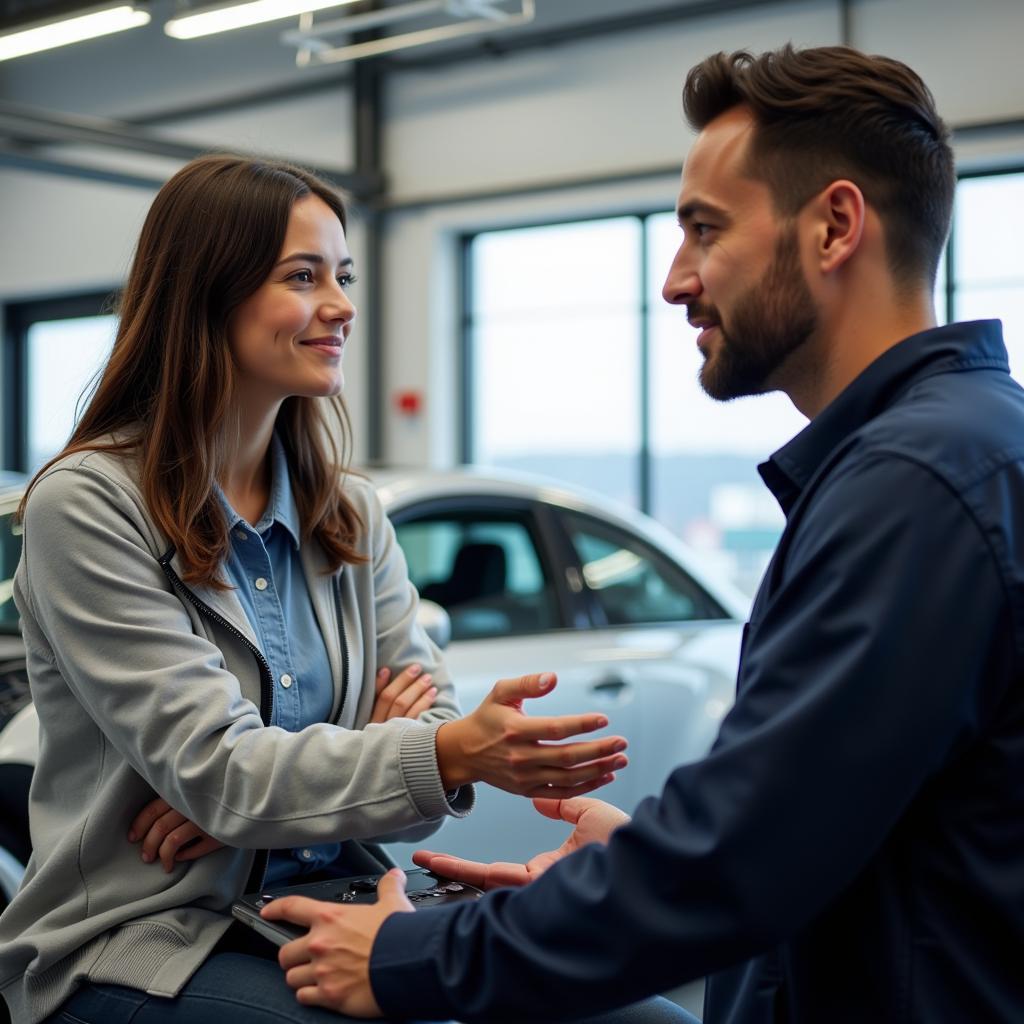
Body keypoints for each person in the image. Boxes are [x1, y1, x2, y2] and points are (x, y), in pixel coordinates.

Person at [259, 44, 1024, 1023]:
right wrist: (625, 866)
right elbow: (832, 829)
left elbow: (736, 860)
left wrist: (412, 954)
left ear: (834, 225)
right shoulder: (951, 451)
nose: (675, 281)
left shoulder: (913, 486)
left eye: (704, 231)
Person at [0, 154, 635, 1024]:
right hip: (149, 933)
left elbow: (376, 791)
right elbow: (227, 770)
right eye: (303, 277)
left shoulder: (352, 513)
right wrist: (404, 752)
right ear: (206, 294)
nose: (341, 305)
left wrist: (259, 798)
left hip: (348, 899)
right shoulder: (89, 506)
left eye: (342, 275)